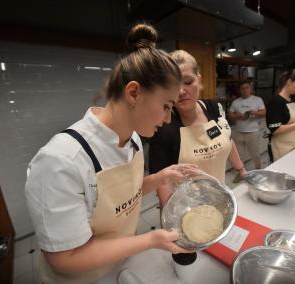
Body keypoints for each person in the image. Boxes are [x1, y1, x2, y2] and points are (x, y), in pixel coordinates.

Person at [25, 23, 196, 283]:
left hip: (119, 263)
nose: (168, 117)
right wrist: (151, 240)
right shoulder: (61, 161)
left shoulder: (135, 139)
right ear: (134, 93)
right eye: (166, 105)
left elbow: (122, 197)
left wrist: (160, 178)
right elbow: (64, 257)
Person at [149, 50, 246, 206]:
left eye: (188, 82)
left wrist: (241, 170)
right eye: (174, 84)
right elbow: (163, 180)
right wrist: (170, 215)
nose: (181, 91)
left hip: (219, 194)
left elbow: (227, 139)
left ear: (199, 80)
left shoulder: (214, 107)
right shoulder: (164, 127)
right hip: (186, 206)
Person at [228, 80, 266, 182]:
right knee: (239, 156)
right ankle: (240, 174)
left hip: (252, 132)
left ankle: (259, 171)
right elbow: (230, 116)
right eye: (242, 88)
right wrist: (238, 115)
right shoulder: (236, 102)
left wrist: (255, 113)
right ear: (239, 90)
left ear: (250, 88)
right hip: (238, 132)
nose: (245, 90)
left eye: (247, 88)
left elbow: (264, 112)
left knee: (255, 154)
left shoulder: (257, 100)